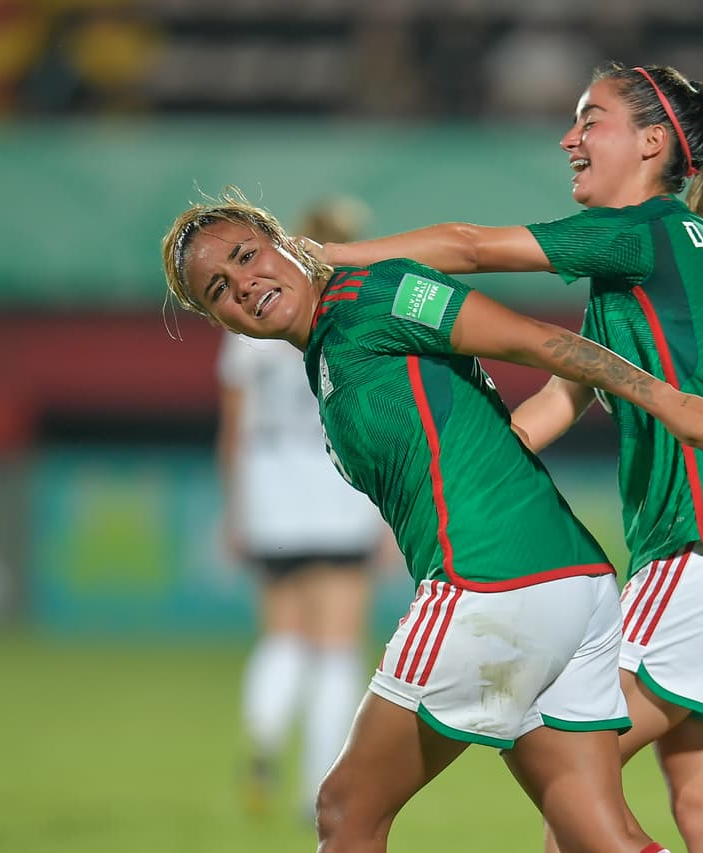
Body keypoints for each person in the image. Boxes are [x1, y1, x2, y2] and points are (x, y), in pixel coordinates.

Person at [161, 190, 703, 853]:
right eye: (219, 288)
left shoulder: (371, 294)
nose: (244, 284)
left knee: (344, 811)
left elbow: (532, 339)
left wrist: (666, 399)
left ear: (285, 243)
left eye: (247, 256)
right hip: (569, 588)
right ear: (220, 319)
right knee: (598, 834)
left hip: (490, 582)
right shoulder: (326, 352)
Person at [311, 63, 703, 853]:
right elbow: (560, 399)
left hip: (698, 548)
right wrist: (477, 471)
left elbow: (468, 247)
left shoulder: (641, 231)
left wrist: (329, 255)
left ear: (650, 143)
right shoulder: (682, 253)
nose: (570, 138)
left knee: (575, 796)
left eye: (590, 119)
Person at [219, 196, 387, 819]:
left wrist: (235, 510)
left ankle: (264, 736)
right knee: (337, 645)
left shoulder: (247, 325)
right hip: (338, 492)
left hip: (272, 497)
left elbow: (232, 431)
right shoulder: (345, 315)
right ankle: (317, 783)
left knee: (282, 633)